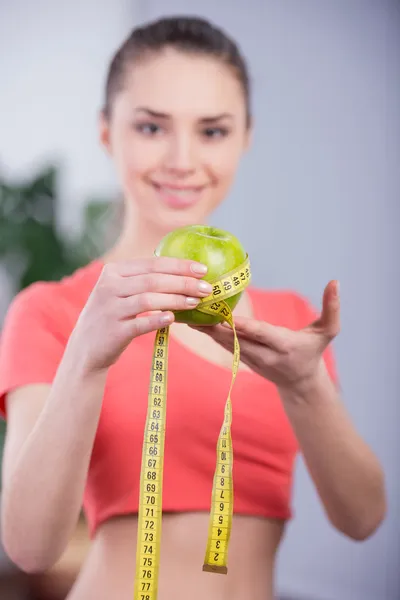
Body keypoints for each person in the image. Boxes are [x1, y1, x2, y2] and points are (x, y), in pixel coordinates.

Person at [0, 15, 386, 600]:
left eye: (212, 131)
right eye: (152, 127)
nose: (182, 160)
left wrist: (306, 386)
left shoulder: (287, 323)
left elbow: (364, 519)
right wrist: (86, 358)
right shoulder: (54, 311)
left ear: (246, 137)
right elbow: (28, 549)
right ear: (107, 133)